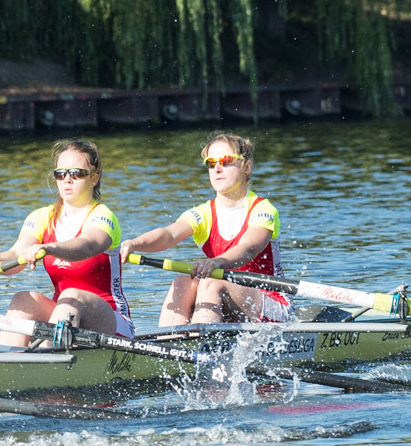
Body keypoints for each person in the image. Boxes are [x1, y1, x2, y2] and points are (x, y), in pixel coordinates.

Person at [0, 139, 134, 341]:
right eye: (60, 174)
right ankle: (7, 362)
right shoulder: (42, 217)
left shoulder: (103, 216)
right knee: (23, 299)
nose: (67, 180)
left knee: (73, 294)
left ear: (94, 178)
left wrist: (49, 248)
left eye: (77, 173)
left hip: (112, 322)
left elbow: (88, 245)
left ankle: (51, 359)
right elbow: (15, 255)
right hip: (64, 313)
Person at [121, 132, 289, 325]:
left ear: (247, 167)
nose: (218, 168)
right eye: (211, 162)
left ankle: (199, 344)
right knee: (182, 283)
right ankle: (167, 344)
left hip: (272, 304)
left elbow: (248, 248)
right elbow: (168, 235)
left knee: (211, 284)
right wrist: (134, 243)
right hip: (228, 301)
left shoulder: (263, 209)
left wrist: (217, 262)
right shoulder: (203, 214)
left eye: (226, 161)